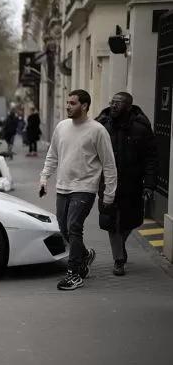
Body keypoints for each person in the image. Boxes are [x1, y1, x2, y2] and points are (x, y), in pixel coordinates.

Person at [39, 89, 117, 291]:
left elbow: (109, 164)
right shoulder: (62, 127)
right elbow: (52, 154)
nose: (67, 106)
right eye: (67, 102)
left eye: (72, 103)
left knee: (74, 227)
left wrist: (109, 193)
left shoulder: (97, 130)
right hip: (63, 186)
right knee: (64, 229)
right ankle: (84, 255)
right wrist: (44, 177)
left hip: (85, 187)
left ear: (84, 106)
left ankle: (74, 273)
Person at [95, 92, 157, 276]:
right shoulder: (101, 125)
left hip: (132, 183)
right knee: (111, 222)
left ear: (129, 106)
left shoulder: (142, 127)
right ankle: (118, 260)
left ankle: (119, 246)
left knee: (130, 221)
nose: (114, 106)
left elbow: (151, 158)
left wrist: (149, 184)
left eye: (118, 103)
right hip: (107, 183)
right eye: (112, 102)